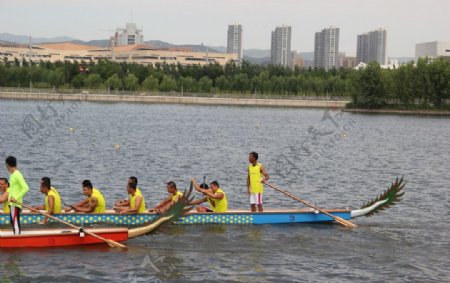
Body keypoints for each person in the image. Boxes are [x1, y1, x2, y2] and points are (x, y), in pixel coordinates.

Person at [5, 156, 29, 235]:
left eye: (6, 166)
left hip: (15, 203)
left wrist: (15, 198)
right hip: (11, 204)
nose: (6, 168)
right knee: (13, 222)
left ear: (8, 165)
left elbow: (26, 188)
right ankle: (16, 235)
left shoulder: (17, 174)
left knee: (15, 223)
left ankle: (17, 238)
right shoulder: (12, 175)